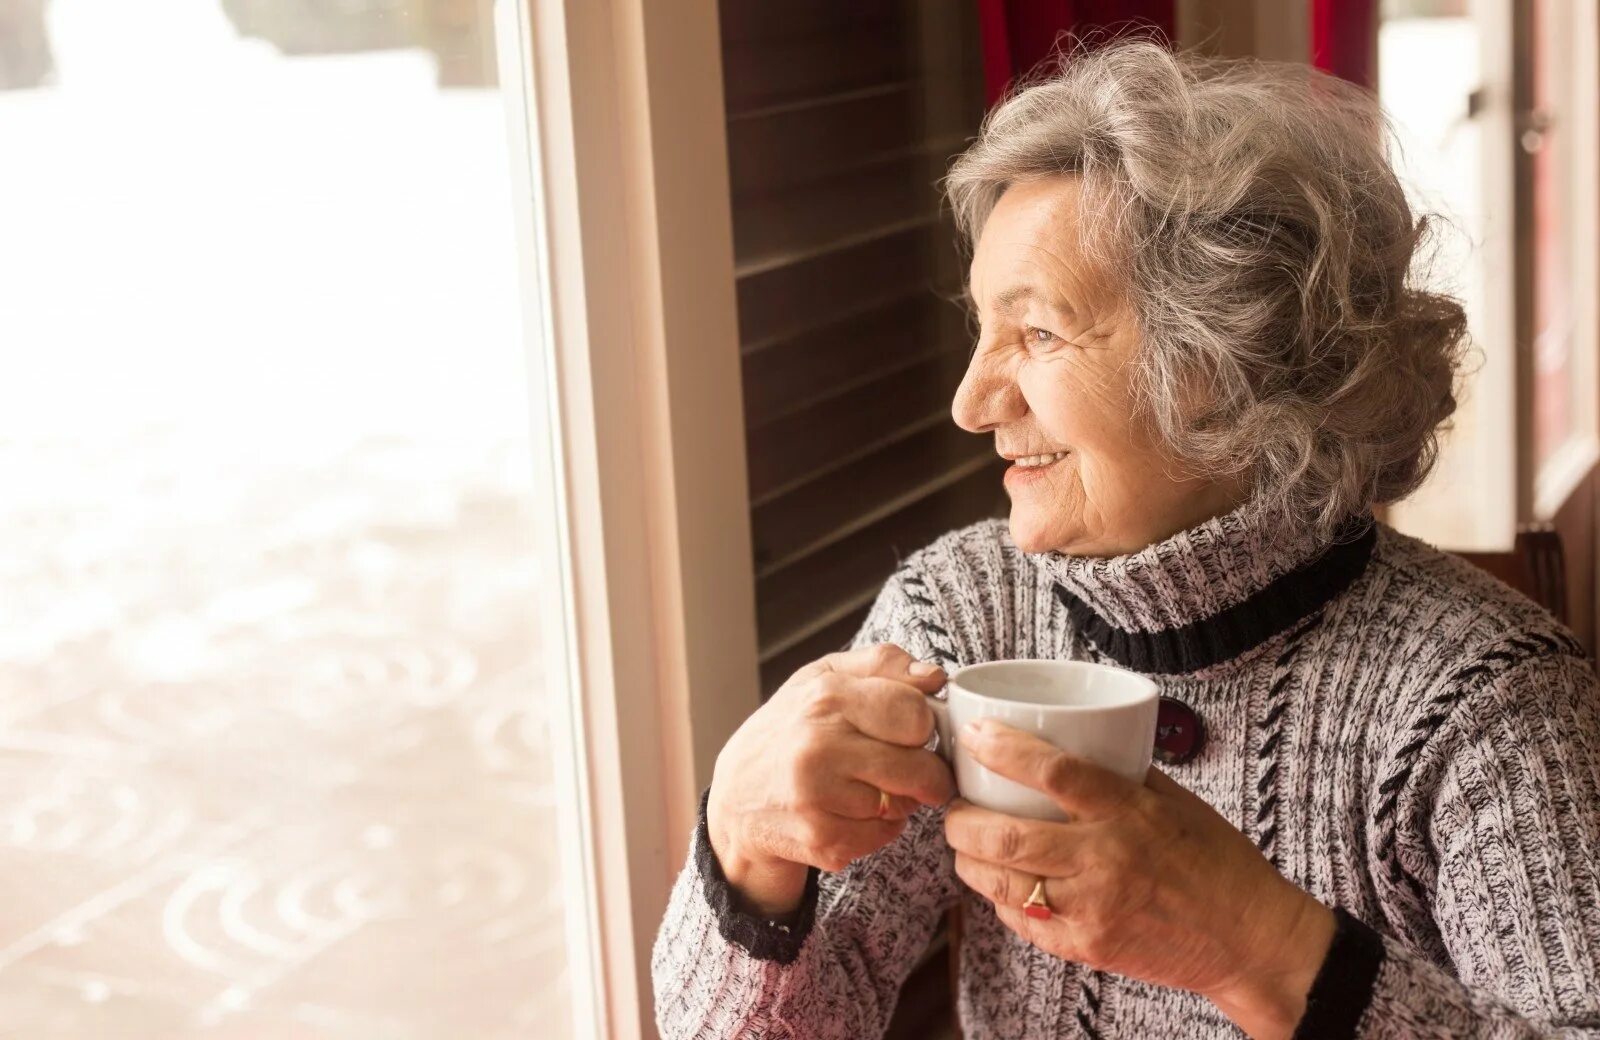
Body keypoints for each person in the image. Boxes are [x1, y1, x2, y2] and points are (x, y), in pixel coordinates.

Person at [652, 40, 1600, 1039]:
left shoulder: (1485, 697)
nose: (970, 401)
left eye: (1040, 334)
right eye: (982, 331)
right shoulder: (961, 613)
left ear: (1227, 360)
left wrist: (1256, 939)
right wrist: (747, 853)